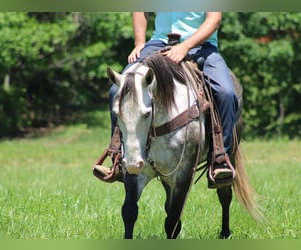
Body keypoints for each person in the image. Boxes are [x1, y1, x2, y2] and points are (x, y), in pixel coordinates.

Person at [95, 12, 238, 186]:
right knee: (115, 90)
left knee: (226, 93)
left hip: (201, 47)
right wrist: (139, 42)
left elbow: (214, 20)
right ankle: (117, 155)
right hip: (157, 44)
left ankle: (220, 157)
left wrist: (185, 46)